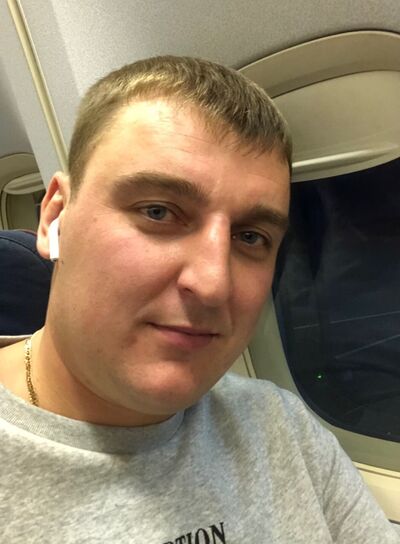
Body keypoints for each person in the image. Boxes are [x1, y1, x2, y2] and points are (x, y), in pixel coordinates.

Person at [0, 56, 398, 544]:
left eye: (250, 237)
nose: (213, 284)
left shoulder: (280, 428)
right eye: (158, 211)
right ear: (55, 217)